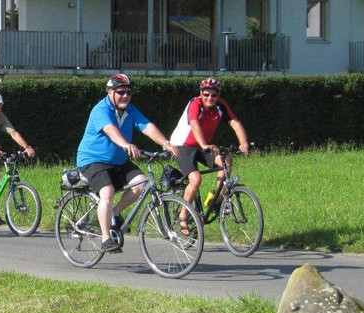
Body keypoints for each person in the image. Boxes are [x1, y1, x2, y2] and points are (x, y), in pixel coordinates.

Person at [75, 74, 178, 253]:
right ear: (110, 92)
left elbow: (147, 126)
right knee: (107, 192)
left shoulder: (130, 110)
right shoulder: (101, 109)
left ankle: (114, 214)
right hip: (93, 160)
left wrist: (166, 143)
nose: (125, 96)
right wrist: (125, 144)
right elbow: (110, 130)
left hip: (118, 161)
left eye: (128, 93)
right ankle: (106, 239)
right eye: (121, 92)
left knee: (141, 183)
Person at [169, 77, 250, 227]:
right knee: (196, 179)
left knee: (226, 160)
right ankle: (182, 216)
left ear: (218, 95)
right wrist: (204, 145)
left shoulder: (221, 105)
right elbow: (194, 124)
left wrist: (243, 143)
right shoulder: (195, 103)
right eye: (206, 94)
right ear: (201, 93)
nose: (210, 98)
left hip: (202, 145)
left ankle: (217, 200)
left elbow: (235, 123)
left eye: (214, 95)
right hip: (182, 145)